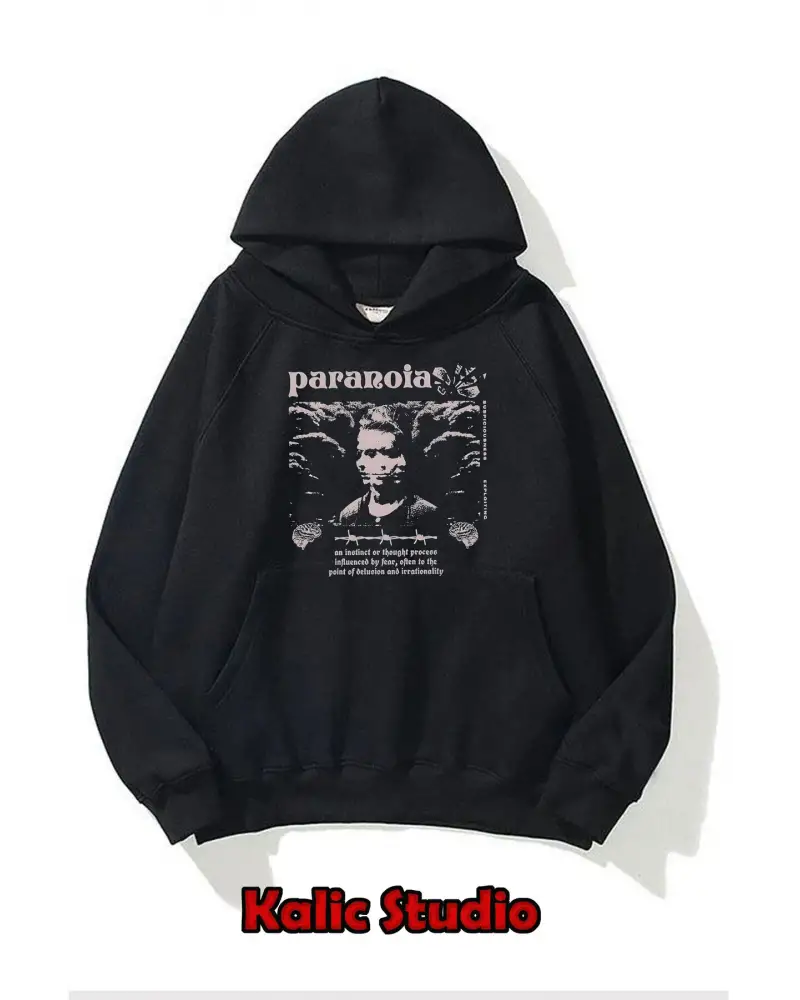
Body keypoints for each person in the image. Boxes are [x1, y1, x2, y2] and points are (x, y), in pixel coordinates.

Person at [334, 412, 437, 529]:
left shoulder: (427, 515)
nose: (360, 463)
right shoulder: (349, 515)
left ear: (399, 458)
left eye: (371, 454)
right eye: (359, 453)